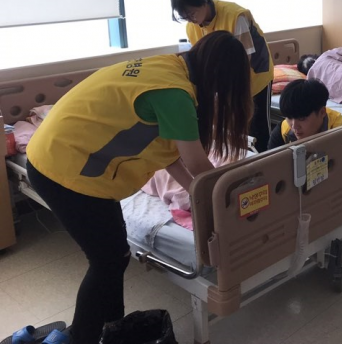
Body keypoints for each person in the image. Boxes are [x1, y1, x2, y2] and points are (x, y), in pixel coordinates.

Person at [26, 31, 253, 344]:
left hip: (69, 160)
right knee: (107, 261)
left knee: (114, 256)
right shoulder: (175, 94)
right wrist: (228, 203)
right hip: (63, 169)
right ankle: (80, 338)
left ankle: (111, 331)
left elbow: (172, 158)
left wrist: (200, 200)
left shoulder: (168, 67)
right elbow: (200, 166)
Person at [268, 79, 342, 258]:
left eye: (302, 119)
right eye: (289, 117)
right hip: (310, 194)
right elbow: (272, 173)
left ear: (322, 112)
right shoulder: (284, 131)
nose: (294, 125)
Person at [171, 0, 274, 152]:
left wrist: (232, 91)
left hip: (254, 75)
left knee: (259, 128)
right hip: (224, 82)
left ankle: (268, 161)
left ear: (201, 2)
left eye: (191, 13)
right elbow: (200, 60)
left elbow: (245, 58)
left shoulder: (235, 15)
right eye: (185, 17)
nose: (191, 20)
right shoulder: (191, 27)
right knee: (234, 129)